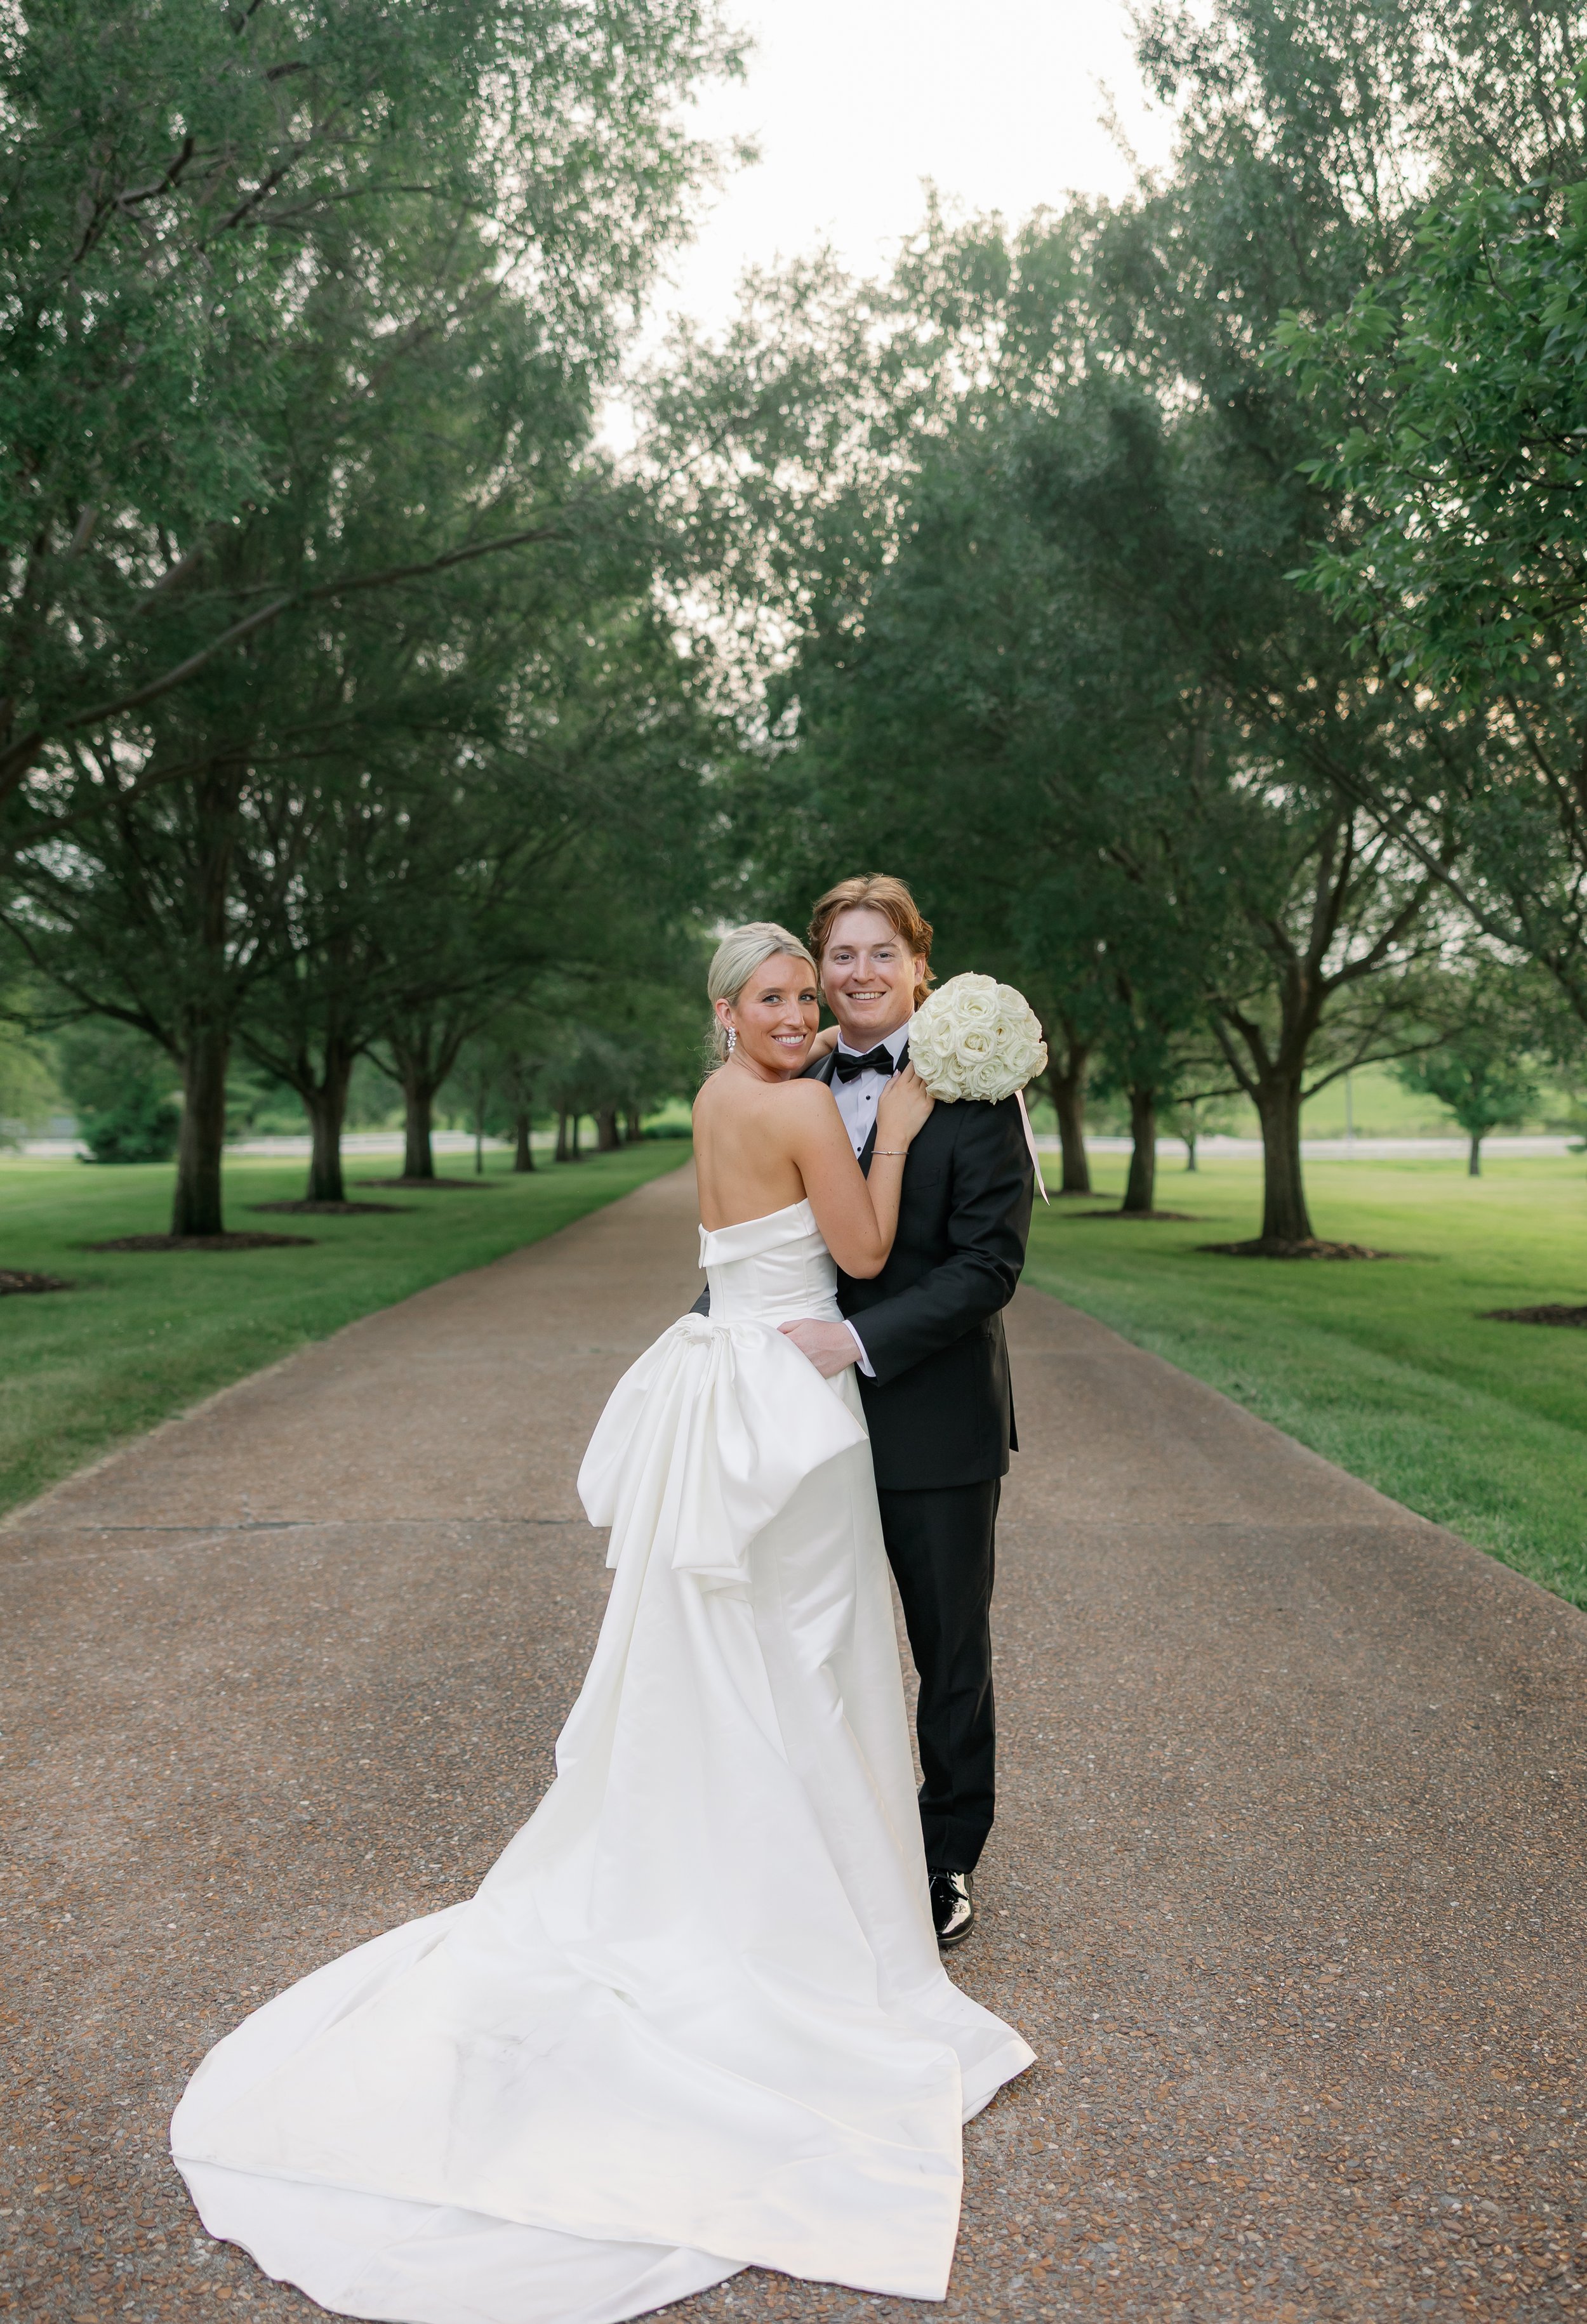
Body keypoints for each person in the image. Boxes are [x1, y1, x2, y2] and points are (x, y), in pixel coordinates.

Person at [169, 921, 1032, 2324]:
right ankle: (819, 1900)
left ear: (899, 974)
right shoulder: (813, 1099)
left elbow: (918, 1256)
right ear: (727, 1008)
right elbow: (862, 1240)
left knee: (730, 1645)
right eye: (782, 992)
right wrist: (895, 1125)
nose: (806, 1008)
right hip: (792, 1397)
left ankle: (796, 1862)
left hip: (731, 1374)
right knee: (807, 1654)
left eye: (816, 991)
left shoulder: (713, 1096)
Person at [696, 876, 1034, 1950]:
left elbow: (988, 1267)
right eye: (839, 955)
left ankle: (944, 1859)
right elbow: (755, 1241)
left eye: (879, 953)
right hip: (798, 1418)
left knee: (949, 1650)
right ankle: (819, 1844)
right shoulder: (785, 1071)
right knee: (802, 1639)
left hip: (934, 1420)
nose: (856, 974)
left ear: (919, 966)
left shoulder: (979, 1091)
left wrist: (861, 1338)